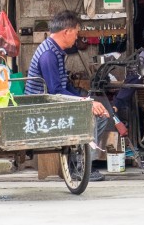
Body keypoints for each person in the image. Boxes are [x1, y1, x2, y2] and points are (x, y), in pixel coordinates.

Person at [25, 10, 110, 182]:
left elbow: (64, 87)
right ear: (67, 32)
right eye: (76, 33)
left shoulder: (55, 51)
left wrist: (85, 99)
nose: (76, 38)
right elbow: (55, 91)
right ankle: (81, 166)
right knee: (93, 117)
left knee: (98, 113)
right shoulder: (48, 54)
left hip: (54, 103)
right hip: (43, 108)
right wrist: (85, 104)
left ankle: (77, 160)